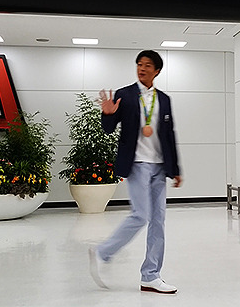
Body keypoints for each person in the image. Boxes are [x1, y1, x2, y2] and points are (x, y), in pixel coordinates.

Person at [88, 49, 182, 294]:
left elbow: (169, 135)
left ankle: (150, 275)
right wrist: (107, 114)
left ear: (157, 70)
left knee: (158, 221)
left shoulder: (164, 99)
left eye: (148, 65)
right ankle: (102, 252)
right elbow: (109, 129)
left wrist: (176, 169)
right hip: (138, 164)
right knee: (141, 215)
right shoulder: (125, 95)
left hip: (159, 167)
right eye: (139, 64)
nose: (142, 68)